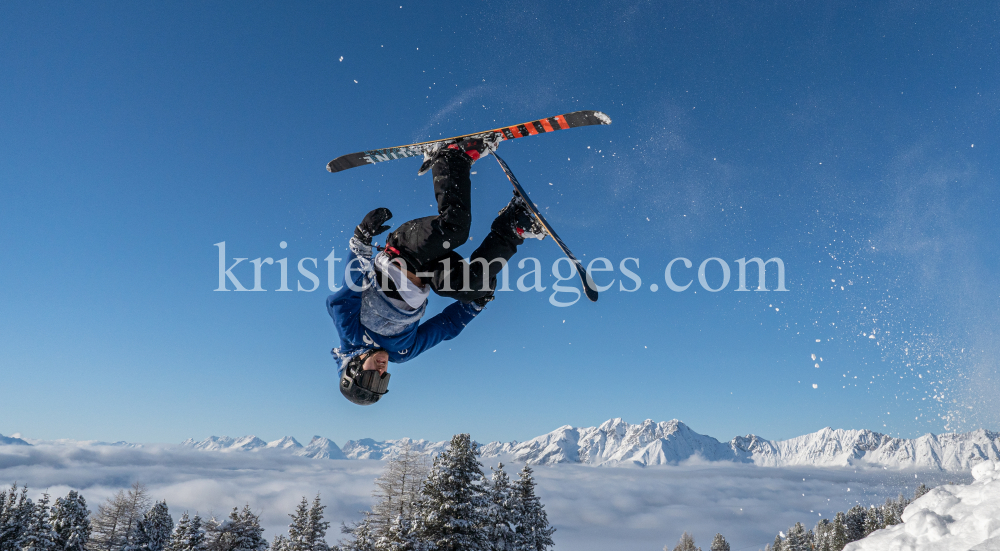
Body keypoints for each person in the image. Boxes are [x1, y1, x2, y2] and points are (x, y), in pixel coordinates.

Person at [328, 136, 545, 405]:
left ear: (354, 369)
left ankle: (450, 156)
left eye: (372, 378)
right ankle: (515, 223)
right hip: (430, 273)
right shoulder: (403, 351)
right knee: (473, 286)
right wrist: (474, 307)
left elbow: (348, 291)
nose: (382, 372)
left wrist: (360, 239)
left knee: (455, 228)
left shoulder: (351, 333)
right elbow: (445, 327)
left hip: (402, 252)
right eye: (383, 382)